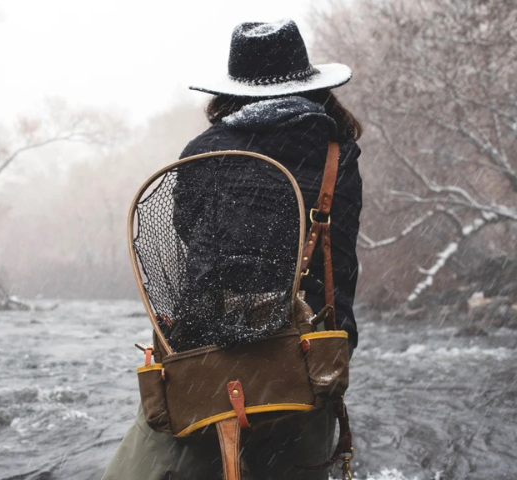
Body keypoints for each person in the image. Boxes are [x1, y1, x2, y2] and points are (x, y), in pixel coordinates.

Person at [102, 19, 362, 480]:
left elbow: (188, 235)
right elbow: (338, 260)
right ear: (309, 82)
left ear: (234, 89)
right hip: (307, 359)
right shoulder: (336, 154)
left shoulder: (202, 151)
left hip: (205, 359)